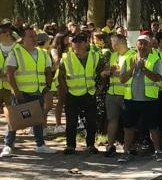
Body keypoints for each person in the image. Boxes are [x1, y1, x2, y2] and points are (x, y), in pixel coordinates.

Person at [3, 27, 56, 157]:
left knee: (37, 119)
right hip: (21, 92)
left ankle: (40, 145)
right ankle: (8, 145)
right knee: (14, 120)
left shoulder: (42, 53)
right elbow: (9, 73)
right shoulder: (16, 52)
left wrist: (47, 87)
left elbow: (48, 70)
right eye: (31, 36)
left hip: (38, 91)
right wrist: (16, 92)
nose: (34, 39)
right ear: (23, 39)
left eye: (35, 36)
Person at [118, 33, 162, 161]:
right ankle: (126, 152)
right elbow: (122, 79)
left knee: (153, 126)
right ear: (136, 45)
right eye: (140, 43)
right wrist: (133, 67)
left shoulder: (155, 60)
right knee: (128, 127)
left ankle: (158, 151)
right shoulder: (128, 59)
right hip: (131, 99)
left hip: (149, 99)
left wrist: (144, 69)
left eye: (145, 44)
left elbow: (158, 78)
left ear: (150, 46)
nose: (142, 46)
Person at [56, 32, 100, 155]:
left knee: (91, 121)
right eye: (75, 41)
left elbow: (103, 71)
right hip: (72, 94)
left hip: (89, 93)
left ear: (86, 42)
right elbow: (60, 76)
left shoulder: (95, 56)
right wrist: (66, 91)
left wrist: (100, 88)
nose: (77, 44)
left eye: (80, 41)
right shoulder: (66, 57)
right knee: (71, 121)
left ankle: (90, 145)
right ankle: (70, 145)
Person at [102, 33, 130, 157]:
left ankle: (128, 146)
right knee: (112, 120)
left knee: (128, 122)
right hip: (112, 94)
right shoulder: (113, 55)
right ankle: (110, 145)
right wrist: (106, 72)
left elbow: (131, 73)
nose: (112, 45)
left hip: (126, 94)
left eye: (114, 43)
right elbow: (108, 70)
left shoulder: (132, 55)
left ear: (120, 43)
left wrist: (114, 72)